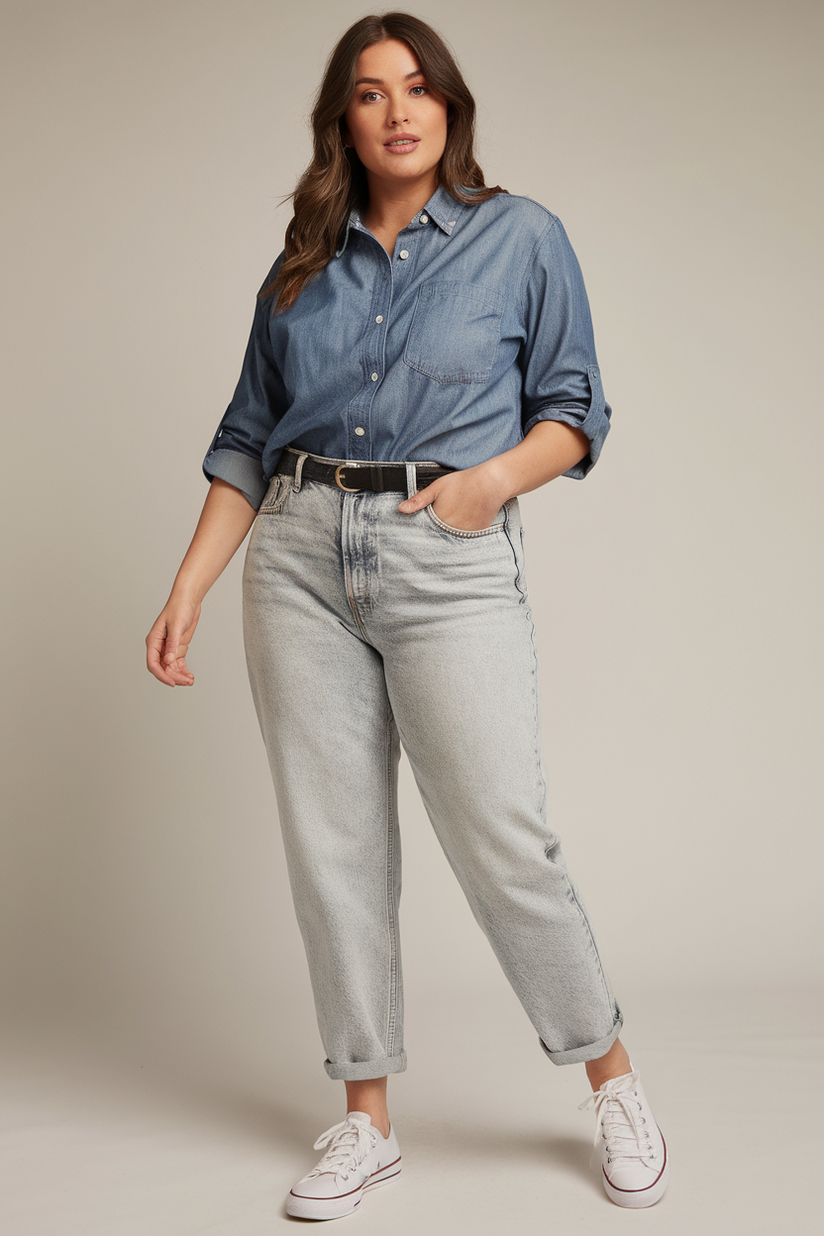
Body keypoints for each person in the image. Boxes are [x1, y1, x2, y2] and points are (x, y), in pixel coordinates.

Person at [146, 11, 668, 1219]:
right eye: (370, 93)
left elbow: (574, 407)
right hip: (293, 554)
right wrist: (188, 583)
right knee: (336, 850)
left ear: (449, 106)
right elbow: (242, 436)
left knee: (499, 833)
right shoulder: (299, 267)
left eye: (417, 86)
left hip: (445, 554)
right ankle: (365, 1122)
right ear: (343, 119)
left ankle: (610, 1081)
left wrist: (487, 485)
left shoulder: (519, 236)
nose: (397, 109)